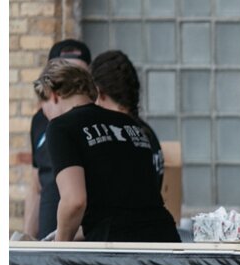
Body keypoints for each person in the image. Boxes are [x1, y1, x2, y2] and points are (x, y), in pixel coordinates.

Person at [47, 50, 179, 243]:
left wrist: (59, 248)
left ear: (98, 92)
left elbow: (76, 202)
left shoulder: (69, 128)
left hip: (119, 253)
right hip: (162, 241)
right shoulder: (140, 131)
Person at [27, 39, 91, 236]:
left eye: (76, 75)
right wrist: (26, 241)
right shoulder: (40, 120)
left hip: (80, 243)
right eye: (62, 75)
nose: (68, 85)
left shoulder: (97, 119)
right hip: (48, 240)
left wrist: (62, 243)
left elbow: (76, 200)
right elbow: (37, 182)